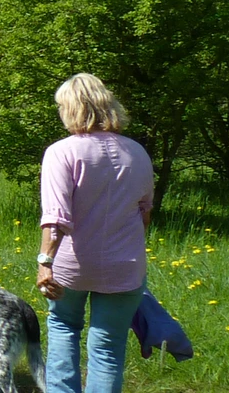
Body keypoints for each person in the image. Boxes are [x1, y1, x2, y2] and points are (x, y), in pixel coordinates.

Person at [37, 73, 154, 393]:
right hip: (125, 266)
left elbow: (56, 217)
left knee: (63, 328)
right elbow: (145, 215)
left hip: (72, 265)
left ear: (72, 109)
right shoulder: (138, 153)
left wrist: (44, 261)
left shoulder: (61, 152)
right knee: (108, 350)